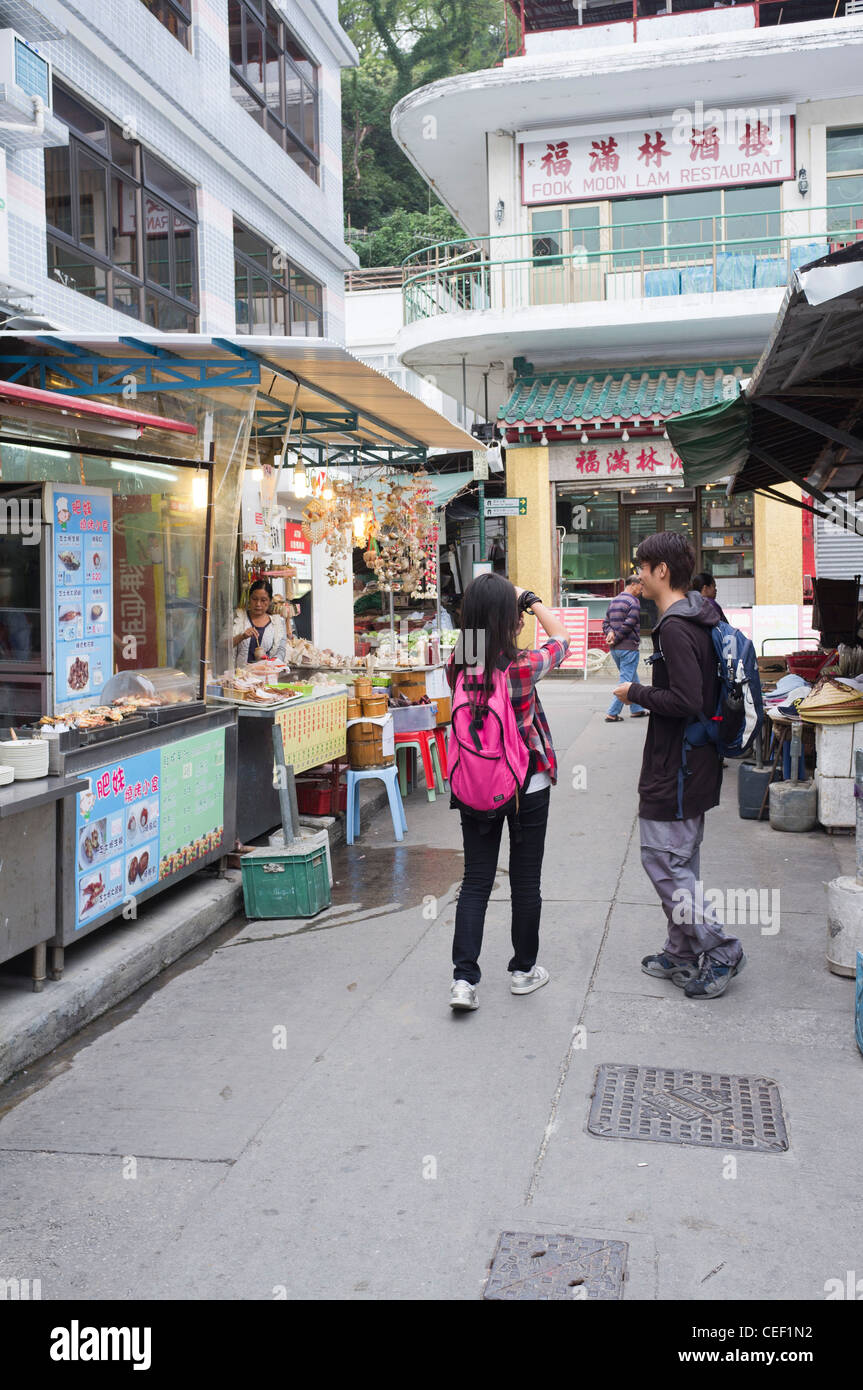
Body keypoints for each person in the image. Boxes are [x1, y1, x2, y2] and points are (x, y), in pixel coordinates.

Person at [612, 532, 746, 1000]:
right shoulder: (701, 612)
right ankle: (681, 950)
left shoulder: (673, 624)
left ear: (661, 571)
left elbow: (686, 699)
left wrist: (635, 694)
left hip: (679, 764)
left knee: (663, 862)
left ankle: (721, 949)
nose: (639, 577)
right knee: (680, 859)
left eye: (642, 568)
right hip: (697, 759)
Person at [447, 573, 569, 1011]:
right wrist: (532, 601)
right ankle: (522, 971)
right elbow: (562, 639)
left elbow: (477, 645)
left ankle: (464, 982)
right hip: (526, 785)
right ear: (508, 619)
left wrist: (497, 611)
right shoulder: (520, 668)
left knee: (476, 881)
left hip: (475, 787)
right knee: (525, 880)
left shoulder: (458, 664)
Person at [602, 575, 647, 722]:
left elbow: (605, 623)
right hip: (628, 648)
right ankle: (612, 713)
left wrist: (610, 634)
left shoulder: (614, 600)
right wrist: (617, 637)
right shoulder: (634, 601)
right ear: (633, 585)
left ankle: (637, 709)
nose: (642, 588)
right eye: (640, 585)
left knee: (632, 678)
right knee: (625, 681)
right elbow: (629, 624)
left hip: (615, 650)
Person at [233, 578, 287, 666]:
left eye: (263, 600)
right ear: (249, 599)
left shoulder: (278, 623)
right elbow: (222, 646)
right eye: (254, 599)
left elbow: (281, 650)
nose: (258, 604)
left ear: (270, 601)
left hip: (265, 675)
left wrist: (272, 663)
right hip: (239, 676)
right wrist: (241, 637)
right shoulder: (238, 618)